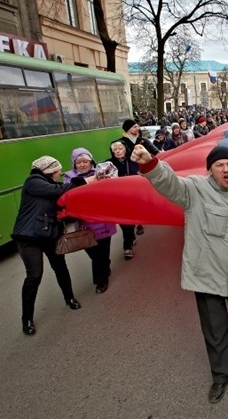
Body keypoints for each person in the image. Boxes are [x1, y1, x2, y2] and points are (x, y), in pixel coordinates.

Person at [130, 143, 228, 404]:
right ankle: (220, 377)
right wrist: (150, 163)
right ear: (210, 170)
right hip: (206, 275)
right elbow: (169, 183)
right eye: (219, 165)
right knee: (215, 331)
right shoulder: (194, 189)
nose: (225, 169)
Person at [11, 156, 93, 335]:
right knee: (34, 276)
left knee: (60, 268)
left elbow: (62, 201)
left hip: (49, 235)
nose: (60, 174)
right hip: (29, 237)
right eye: (58, 171)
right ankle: (27, 319)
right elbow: (62, 189)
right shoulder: (33, 181)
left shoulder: (49, 186)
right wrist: (85, 180)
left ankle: (69, 298)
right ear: (50, 171)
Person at [63, 148, 117, 294]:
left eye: (85, 161)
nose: (82, 165)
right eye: (78, 162)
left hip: (103, 219)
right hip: (84, 222)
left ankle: (101, 281)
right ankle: (105, 266)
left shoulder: (101, 171)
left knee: (103, 251)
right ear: (74, 163)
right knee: (94, 252)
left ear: (91, 161)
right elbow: (67, 195)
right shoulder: (69, 177)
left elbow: (112, 189)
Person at [108, 139, 140, 259]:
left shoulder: (134, 160)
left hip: (133, 196)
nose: (117, 151)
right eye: (114, 149)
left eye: (119, 148)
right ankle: (128, 243)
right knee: (124, 222)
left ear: (125, 149)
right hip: (117, 199)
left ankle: (129, 243)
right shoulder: (108, 163)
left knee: (130, 221)